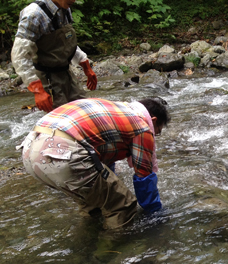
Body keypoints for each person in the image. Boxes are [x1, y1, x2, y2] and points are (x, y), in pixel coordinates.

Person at [18, 97, 170, 229]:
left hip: (31, 151)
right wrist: (156, 216)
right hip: (61, 152)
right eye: (157, 131)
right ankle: (110, 254)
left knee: (94, 203)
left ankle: (89, 242)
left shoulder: (115, 110)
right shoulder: (142, 126)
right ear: (154, 120)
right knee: (122, 204)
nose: (154, 135)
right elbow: (144, 176)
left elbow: (102, 162)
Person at [11, 0, 98, 112]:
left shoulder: (65, 8)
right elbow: (19, 56)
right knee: (59, 121)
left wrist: (85, 65)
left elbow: (66, 43)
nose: (73, 0)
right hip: (48, 79)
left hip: (66, 74)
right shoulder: (34, 15)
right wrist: (38, 90)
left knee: (85, 111)